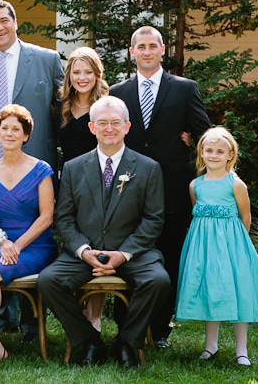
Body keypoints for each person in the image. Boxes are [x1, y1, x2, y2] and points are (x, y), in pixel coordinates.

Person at [37, 96, 170, 369]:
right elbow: (64, 217)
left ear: (127, 126)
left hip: (133, 253)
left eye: (115, 123)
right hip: (85, 253)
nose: (109, 128)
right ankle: (89, 341)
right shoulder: (74, 168)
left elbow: (153, 219)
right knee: (49, 281)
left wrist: (124, 254)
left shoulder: (148, 168)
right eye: (102, 123)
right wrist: (84, 251)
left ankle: (127, 342)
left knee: (159, 281)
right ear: (91, 128)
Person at [0, 0, 64, 340]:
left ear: (15, 23)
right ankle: (0, 319)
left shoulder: (48, 60)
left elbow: (64, 112)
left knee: (29, 237)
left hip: (33, 168)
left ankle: (30, 323)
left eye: (4, 21)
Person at [110, 25, 210, 349]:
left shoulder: (184, 88)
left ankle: (161, 331)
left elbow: (206, 135)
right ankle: (126, 327)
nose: (148, 51)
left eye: (153, 45)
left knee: (168, 260)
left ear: (163, 49)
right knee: (125, 253)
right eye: (141, 46)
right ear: (132, 52)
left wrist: (191, 142)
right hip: (129, 189)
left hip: (174, 188)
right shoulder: (117, 92)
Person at [0, 104, 56, 368]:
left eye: (17, 129)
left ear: (26, 135)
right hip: (1, 244)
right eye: (5, 129)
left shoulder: (41, 169)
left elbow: (46, 217)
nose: (10, 133)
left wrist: (17, 245)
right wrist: (3, 242)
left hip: (35, 245)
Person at [176, 127, 258, 366]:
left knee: (236, 292)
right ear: (201, 152)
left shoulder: (235, 184)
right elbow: (198, 215)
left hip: (232, 247)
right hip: (203, 247)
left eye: (220, 151)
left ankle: (242, 349)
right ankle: (211, 345)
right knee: (210, 289)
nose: (214, 155)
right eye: (209, 150)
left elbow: (245, 217)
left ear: (230, 154)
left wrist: (237, 247)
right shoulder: (195, 185)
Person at [56, 47, 110, 331]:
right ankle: (79, 308)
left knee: (98, 239)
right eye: (76, 72)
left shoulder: (107, 105)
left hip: (102, 180)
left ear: (97, 74)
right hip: (70, 180)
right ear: (69, 75)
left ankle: (95, 313)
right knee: (75, 242)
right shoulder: (61, 105)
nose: (82, 77)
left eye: (87, 72)